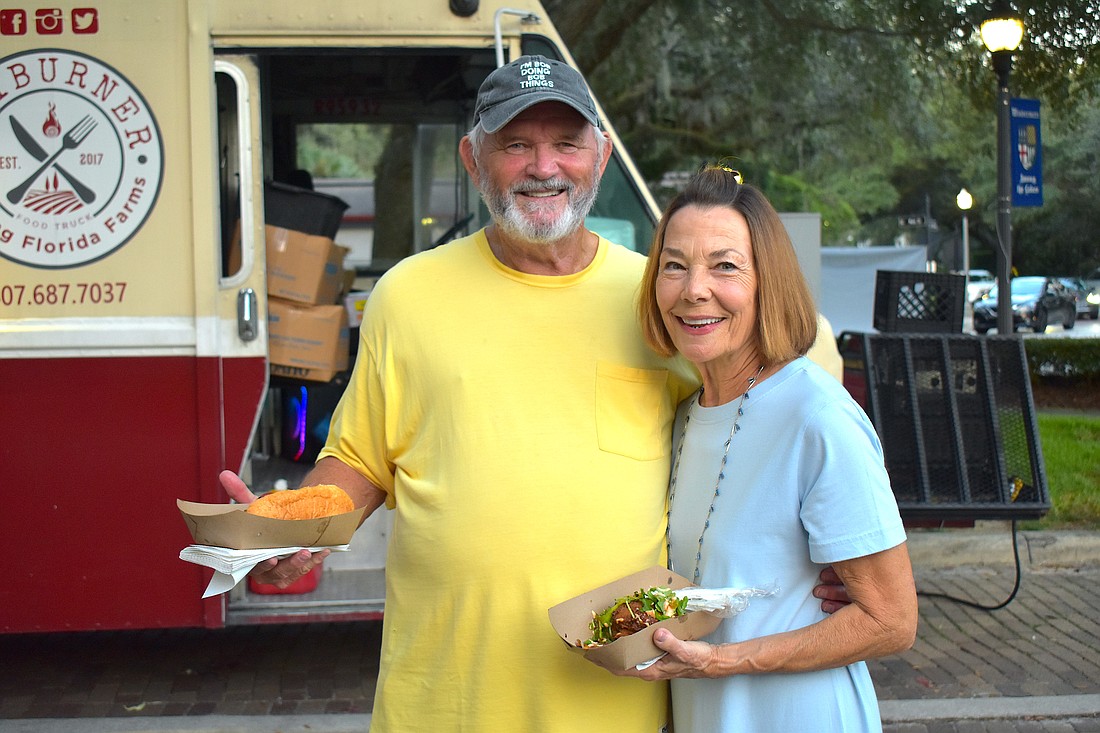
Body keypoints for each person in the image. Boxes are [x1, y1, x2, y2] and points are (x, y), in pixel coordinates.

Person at [220, 57, 846, 732]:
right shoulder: (407, 295)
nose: (543, 167)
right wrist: (301, 524)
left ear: (600, 157)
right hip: (444, 697)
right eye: (515, 143)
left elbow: (784, 406)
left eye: (566, 143)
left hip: (611, 702)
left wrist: (829, 547)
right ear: (472, 157)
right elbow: (363, 459)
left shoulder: (663, 299)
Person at [617, 165, 918, 732]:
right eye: (673, 267)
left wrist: (724, 662)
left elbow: (892, 621)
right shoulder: (683, 414)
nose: (693, 290)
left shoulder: (818, 418)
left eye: (724, 266)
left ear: (767, 283)